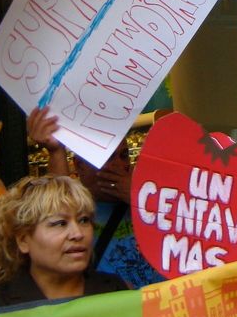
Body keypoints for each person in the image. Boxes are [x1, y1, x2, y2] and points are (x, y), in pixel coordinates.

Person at [27, 107, 161, 289]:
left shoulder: (150, 201)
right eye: (108, 157)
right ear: (80, 165)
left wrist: (141, 199)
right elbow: (60, 201)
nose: (120, 165)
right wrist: (55, 151)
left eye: (124, 155)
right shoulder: (78, 213)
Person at [0, 174, 127, 309]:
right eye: (60, 223)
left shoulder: (120, 295)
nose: (77, 234)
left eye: (84, 220)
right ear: (23, 240)